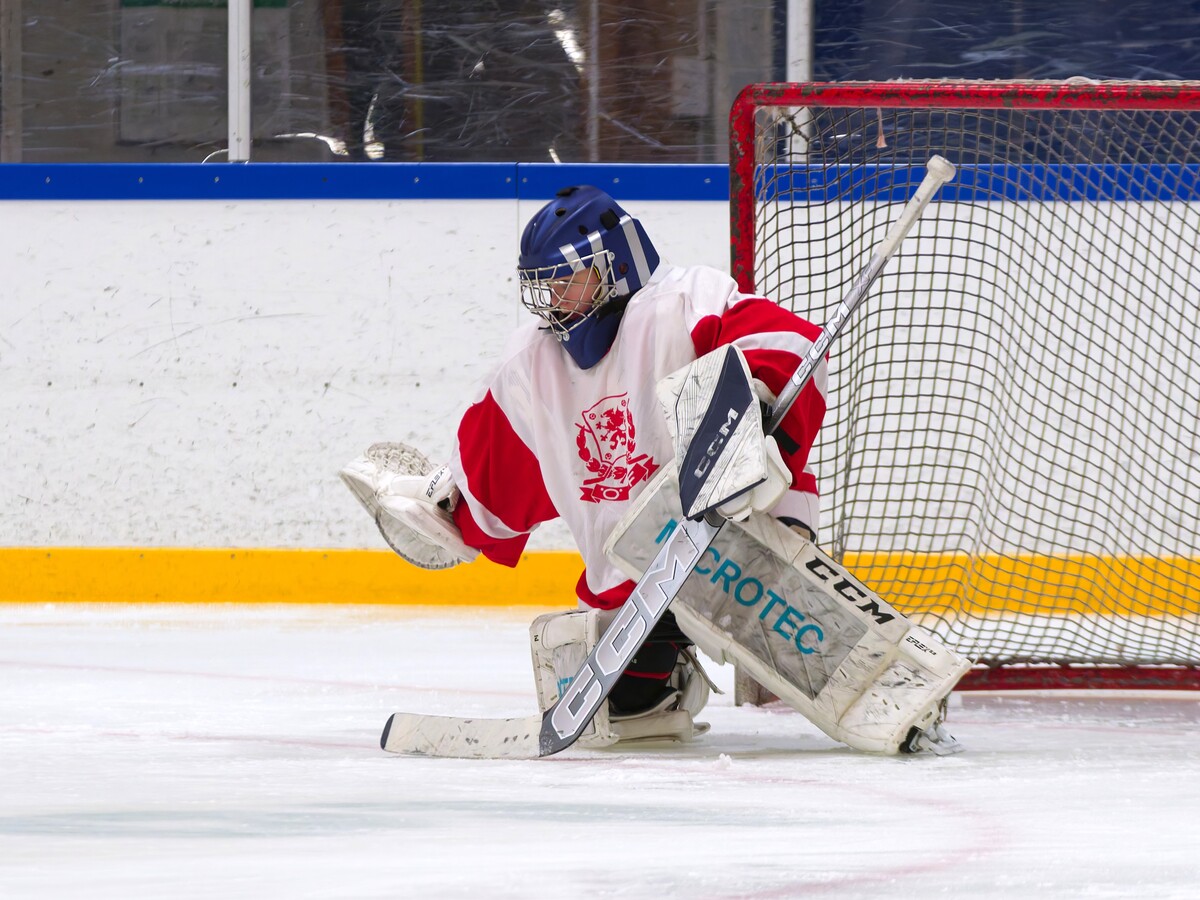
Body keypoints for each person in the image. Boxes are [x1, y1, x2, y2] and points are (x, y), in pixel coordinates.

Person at [346, 185, 829, 747]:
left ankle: (846, 646)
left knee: (818, 653)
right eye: (543, 287)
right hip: (640, 578)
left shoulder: (681, 303)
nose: (554, 299)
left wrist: (755, 411)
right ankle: (665, 681)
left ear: (615, 265)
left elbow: (787, 342)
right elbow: (498, 479)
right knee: (615, 693)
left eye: (567, 280)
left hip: (745, 529)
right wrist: (443, 511)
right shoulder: (531, 366)